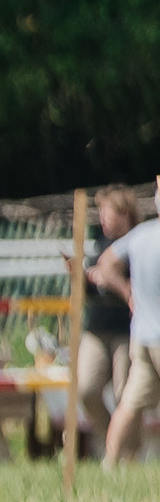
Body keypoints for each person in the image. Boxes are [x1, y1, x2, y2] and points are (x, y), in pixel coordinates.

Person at [92, 187, 160, 470]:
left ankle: (110, 464)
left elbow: (105, 264)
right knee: (128, 403)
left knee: (129, 404)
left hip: (140, 334)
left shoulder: (141, 234)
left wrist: (126, 291)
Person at [83, 188, 145, 460]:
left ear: (125, 214)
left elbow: (140, 291)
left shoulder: (141, 243)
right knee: (87, 389)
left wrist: (111, 282)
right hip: (96, 329)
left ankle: (128, 457)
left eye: (107, 212)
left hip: (127, 331)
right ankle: (113, 444)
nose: (102, 219)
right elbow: (89, 293)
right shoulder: (99, 246)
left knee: (126, 396)